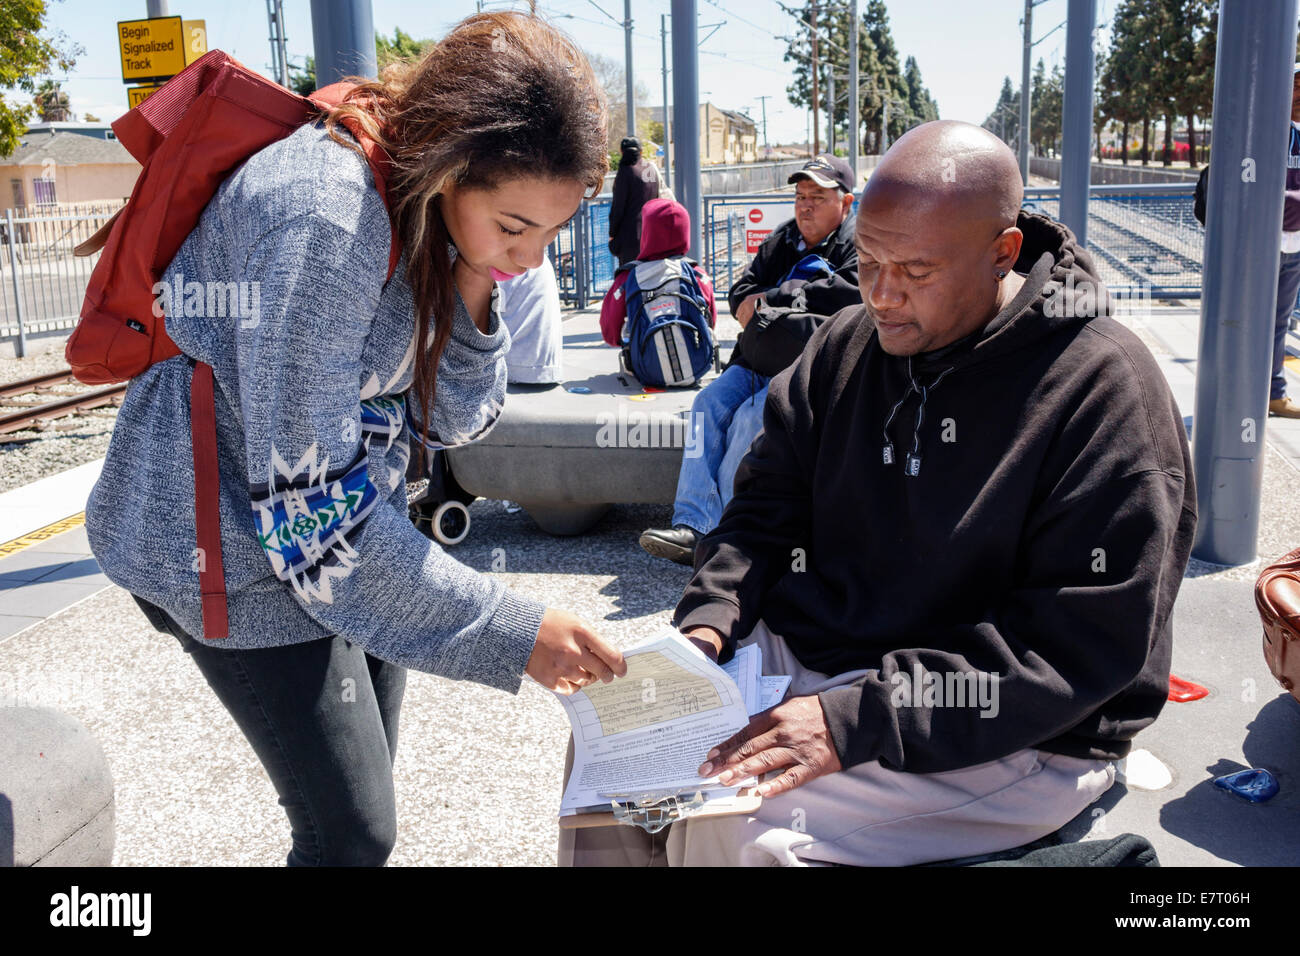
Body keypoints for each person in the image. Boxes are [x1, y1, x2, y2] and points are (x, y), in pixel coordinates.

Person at [561, 121, 1195, 867]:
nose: (883, 296)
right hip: (828, 661)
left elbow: (1073, 649)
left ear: (1003, 255)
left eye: (917, 271)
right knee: (614, 755)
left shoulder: (1102, 387)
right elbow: (764, 511)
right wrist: (708, 624)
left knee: (736, 827)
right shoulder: (847, 343)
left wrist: (851, 719)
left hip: (1015, 722)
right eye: (866, 262)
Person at [86, 12, 627, 867]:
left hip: (348, 525)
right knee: (351, 834)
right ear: (454, 162)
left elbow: (452, 422)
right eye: (515, 227)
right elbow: (309, 524)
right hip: (224, 535)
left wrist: (476, 279)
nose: (530, 257)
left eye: (549, 234)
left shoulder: (428, 205)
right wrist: (515, 631)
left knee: (361, 814)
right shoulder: (323, 219)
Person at [638, 155, 860, 566]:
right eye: (800, 195)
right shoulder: (783, 239)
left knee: (750, 419)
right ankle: (694, 525)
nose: (805, 205)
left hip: (804, 370)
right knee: (708, 404)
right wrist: (776, 302)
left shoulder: (857, 245)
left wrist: (774, 300)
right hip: (755, 359)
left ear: (845, 203)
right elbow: (740, 292)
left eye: (817, 196)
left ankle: (724, 536)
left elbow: (846, 298)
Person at [599, 197, 717, 349]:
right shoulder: (698, 275)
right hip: (696, 363)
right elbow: (710, 321)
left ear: (647, 232)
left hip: (643, 367)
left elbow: (610, 331)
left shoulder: (628, 278)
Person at [1267, 63, 1300, 417]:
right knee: (1252, 319)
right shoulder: (1272, 132)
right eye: (1296, 85)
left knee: (1280, 322)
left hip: (1296, 243)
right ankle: (1239, 387)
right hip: (1266, 244)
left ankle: (1275, 393)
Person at [498, 249, 565, 385]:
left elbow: (485, 311)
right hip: (551, 365)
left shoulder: (508, 261)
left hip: (516, 366)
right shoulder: (539, 258)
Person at [608, 136, 661, 268]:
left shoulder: (626, 171)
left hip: (630, 238)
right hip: (652, 235)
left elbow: (618, 207)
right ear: (641, 152)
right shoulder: (650, 168)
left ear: (622, 152)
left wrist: (612, 233)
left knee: (630, 280)